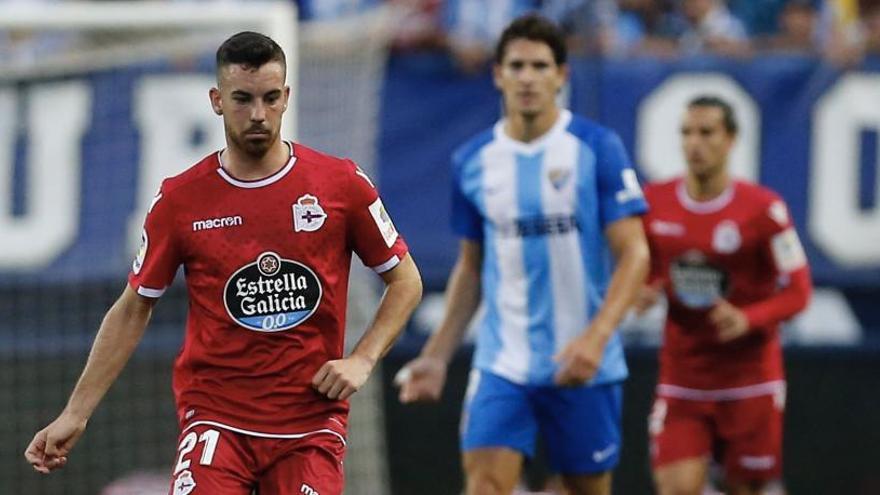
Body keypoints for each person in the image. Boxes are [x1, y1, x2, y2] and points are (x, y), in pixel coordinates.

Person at [24, 31, 422, 495]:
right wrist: (76, 412)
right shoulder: (181, 200)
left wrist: (363, 358)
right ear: (216, 100)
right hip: (217, 420)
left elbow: (406, 281)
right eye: (242, 99)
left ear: (287, 97)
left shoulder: (341, 184)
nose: (258, 114)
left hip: (309, 423)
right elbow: (134, 306)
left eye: (271, 98)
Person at [396, 14, 650, 495]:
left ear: (561, 75)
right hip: (503, 362)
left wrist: (595, 339)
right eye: (516, 66)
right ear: (498, 74)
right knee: (486, 484)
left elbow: (635, 254)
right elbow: (471, 267)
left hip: (584, 362)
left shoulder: (597, 149)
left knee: (585, 486)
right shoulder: (472, 161)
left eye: (539, 66)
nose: (528, 77)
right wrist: (436, 356)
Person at [635, 96, 812, 495]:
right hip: (684, 379)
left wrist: (748, 318)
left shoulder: (764, 210)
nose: (694, 143)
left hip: (749, 380)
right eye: (686, 133)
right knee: (677, 488)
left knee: (745, 488)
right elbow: (646, 270)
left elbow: (799, 292)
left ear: (731, 140)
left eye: (706, 132)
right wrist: (643, 291)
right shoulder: (655, 205)